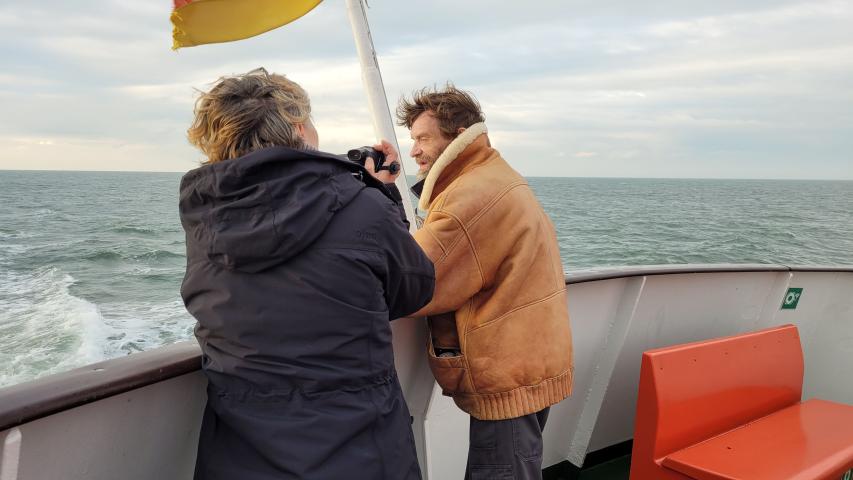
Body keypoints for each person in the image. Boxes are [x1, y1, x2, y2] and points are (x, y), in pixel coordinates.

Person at [178, 68, 435, 480]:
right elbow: (414, 289)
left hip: (240, 455)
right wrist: (381, 196)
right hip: (359, 450)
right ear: (299, 128)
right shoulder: (364, 206)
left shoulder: (204, 221)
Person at [392, 84, 574, 480]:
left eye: (423, 138)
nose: (414, 151)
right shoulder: (495, 174)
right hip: (529, 361)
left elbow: (412, 280)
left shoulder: (469, 196)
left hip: (508, 371)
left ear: (458, 136)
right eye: (413, 140)